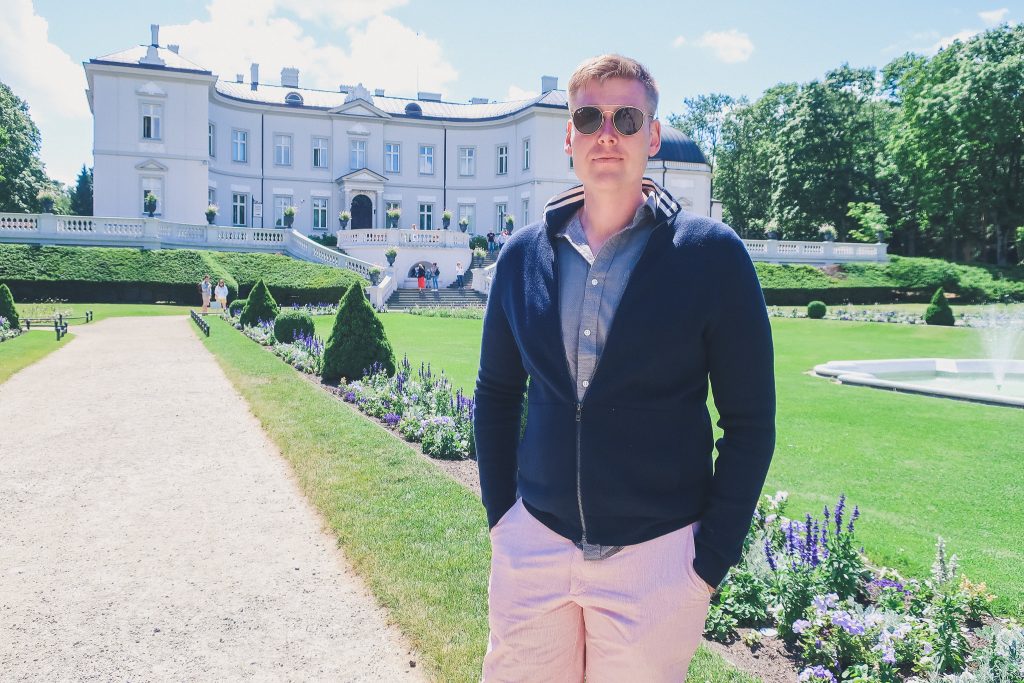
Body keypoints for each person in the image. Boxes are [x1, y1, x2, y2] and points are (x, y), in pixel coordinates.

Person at [474, 54, 776, 681]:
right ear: (569, 138)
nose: (606, 132)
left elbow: (750, 423)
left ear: (653, 136)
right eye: (589, 117)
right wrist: (503, 520)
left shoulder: (711, 256)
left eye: (626, 117)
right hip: (535, 545)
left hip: (657, 562)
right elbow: (497, 394)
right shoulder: (521, 256)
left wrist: (706, 564)